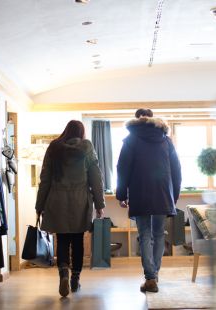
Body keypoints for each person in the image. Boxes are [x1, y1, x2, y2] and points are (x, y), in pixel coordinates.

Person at [35, 120, 105, 297]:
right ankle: (75, 279)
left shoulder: (54, 148)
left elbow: (45, 179)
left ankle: (63, 273)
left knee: (62, 239)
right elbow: (96, 177)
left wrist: (39, 205)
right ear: (81, 133)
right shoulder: (87, 147)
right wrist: (99, 204)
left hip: (57, 200)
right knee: (77, 241)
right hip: (80, 201)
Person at [116, 108, 182, 293]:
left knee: (145, 235)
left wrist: (122, 195)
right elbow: (177, 170)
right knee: (159, 234)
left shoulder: (131, 140)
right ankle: (155, 274)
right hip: (162, 193)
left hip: (139, 192)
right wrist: (173, 195)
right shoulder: (166, 140)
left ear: (136, 120)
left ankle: (150, 277)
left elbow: (122, 168)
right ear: (153, 120)